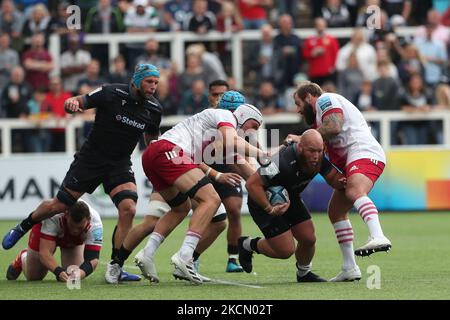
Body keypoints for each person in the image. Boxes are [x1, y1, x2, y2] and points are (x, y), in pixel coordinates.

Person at [2, 63, 163, 284]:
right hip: (91, 159)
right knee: (59, 205)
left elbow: (152, 139)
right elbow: (82, 100)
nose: (153, 86)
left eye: (156, 82)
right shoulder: (111, 92)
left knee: (129, 209)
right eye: (149, 81)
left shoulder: (154, 108)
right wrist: (72, 103)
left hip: (119, 164)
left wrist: (157, 157)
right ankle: (24, 225)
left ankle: (116, 267)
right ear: (136, 80)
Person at [136, 103, 266, 284]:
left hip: (154, 153)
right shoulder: (227, 117)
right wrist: (262, 154)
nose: (252, 132)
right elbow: (232, 143)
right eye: (254, 126)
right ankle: (185, 256)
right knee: (211, 199)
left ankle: (147, 254)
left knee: (181, 208)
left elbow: (247, 171)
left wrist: (269, 180)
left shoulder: (215, 133)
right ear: (244, 116)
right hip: (170, 151)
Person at [291, 81, 391, 282]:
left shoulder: (326, 100)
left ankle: (378, 235)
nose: (298, 110)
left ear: (309, 97)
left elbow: (335, 126)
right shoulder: (317, 124)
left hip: (364, 151)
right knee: (336, 212)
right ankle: (349, 268)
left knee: (355, 192)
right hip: (353, 159)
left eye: (298, 103)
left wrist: (304, 139)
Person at [240, 129, 346, 282]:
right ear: (301, 148)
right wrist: (269, 209)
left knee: (308, 238)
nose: (316, 156)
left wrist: (342, 182)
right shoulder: (281, 162)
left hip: (291, 196)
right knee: (285, 251)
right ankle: (248, 245)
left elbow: (333, 179)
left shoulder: (320, 158)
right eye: (311, 151)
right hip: (262, 201)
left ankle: (304, 273)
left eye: (319, 151)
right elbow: (251, 185)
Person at [6, 200, 103, 282]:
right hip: (45, 231)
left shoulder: (95, 224)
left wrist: (79, 275)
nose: (75, 230)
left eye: (80, 227)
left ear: (89, 219)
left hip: (71, 241)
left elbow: (93, 260)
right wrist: (58, 271)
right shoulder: (53, 215)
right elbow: (45, 253)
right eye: (72, 226)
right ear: (66, 214)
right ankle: (23, 257)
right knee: (34, 276)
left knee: (72, 271)